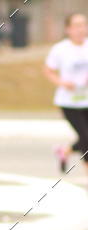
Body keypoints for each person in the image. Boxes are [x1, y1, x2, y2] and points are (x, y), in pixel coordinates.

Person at [44, 13, 88, 176]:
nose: (81, 29)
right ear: (68, 29)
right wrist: (62, 83)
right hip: (69, 102)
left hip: (86, 99)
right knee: (86, 138)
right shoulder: (60, 49)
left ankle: (65, 151)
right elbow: (48, 71)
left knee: (86, 137)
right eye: (76, 25)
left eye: (83, 25)